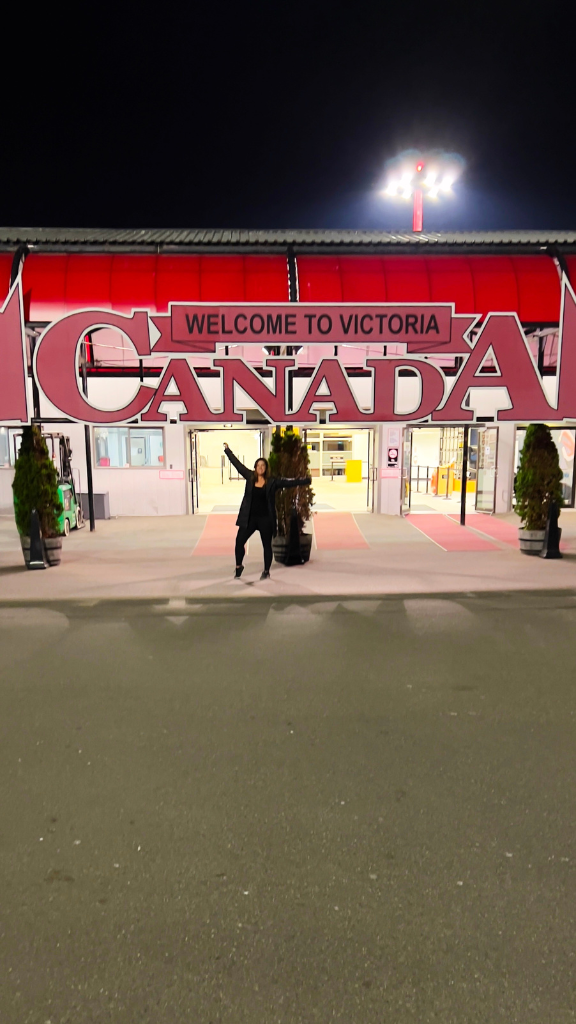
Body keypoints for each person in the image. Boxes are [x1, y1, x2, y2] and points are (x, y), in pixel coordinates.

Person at [223, 443, 312, 580]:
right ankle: (238, 566)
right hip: (249, 519)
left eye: (263, 466)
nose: (260, 468)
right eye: (258, 465)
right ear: (255, 467)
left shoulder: (272, 482)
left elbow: (288, 482)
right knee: (239, 542)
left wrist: (305, 480)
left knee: (267, 546)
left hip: (266, 519)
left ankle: (266, 571)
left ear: (266, 468)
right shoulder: (249, 476)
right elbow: (237, 465)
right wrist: (228, 451)